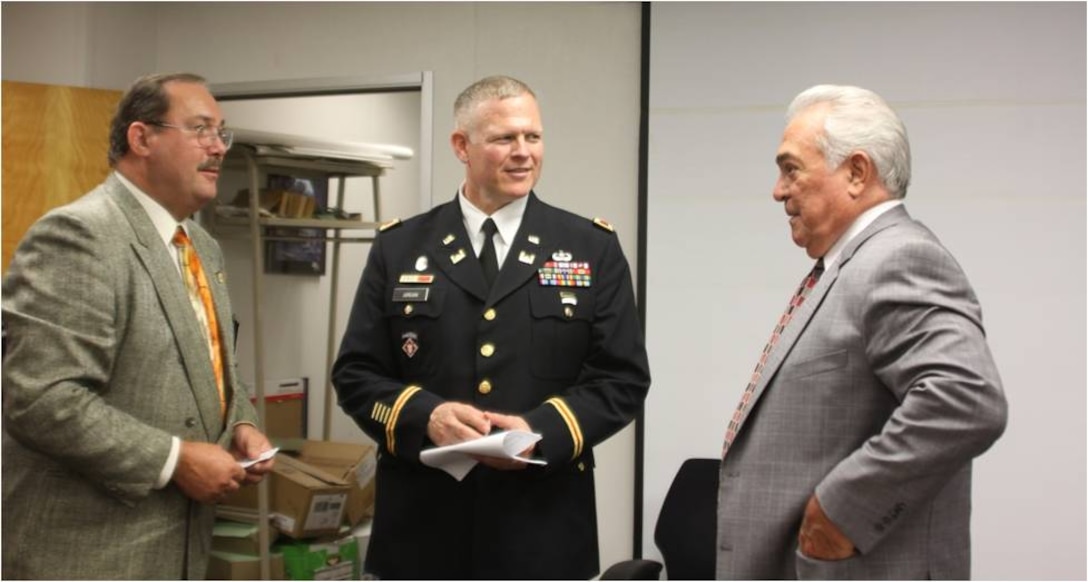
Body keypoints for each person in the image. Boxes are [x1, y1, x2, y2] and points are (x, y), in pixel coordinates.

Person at [332, 75, 651, 579]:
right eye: (506, 138)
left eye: (534, 137)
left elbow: (622, 380)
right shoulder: (400, 247)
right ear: (462, 145)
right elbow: (356, 374)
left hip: (541, 530)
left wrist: (538, 431)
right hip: (423, 530)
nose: (524, 152)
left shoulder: (591, 247)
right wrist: (426, 416)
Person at [715, 84, 1008, 580]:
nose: (778, 190)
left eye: (791, 169)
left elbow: (967, 398)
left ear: (856, 172)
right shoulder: (848, 266)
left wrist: (843, 509)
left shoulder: (898, 258)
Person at [2, 72, 275, 579]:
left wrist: (242, 422)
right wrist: (174, 459)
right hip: (88, 554)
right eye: (199, 129)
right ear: (141, 137)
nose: (218, 147)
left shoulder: (200, 245)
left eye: (222, 132)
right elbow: (41, 398)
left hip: (177, 550)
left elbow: (212, 363)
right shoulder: (79, 236)